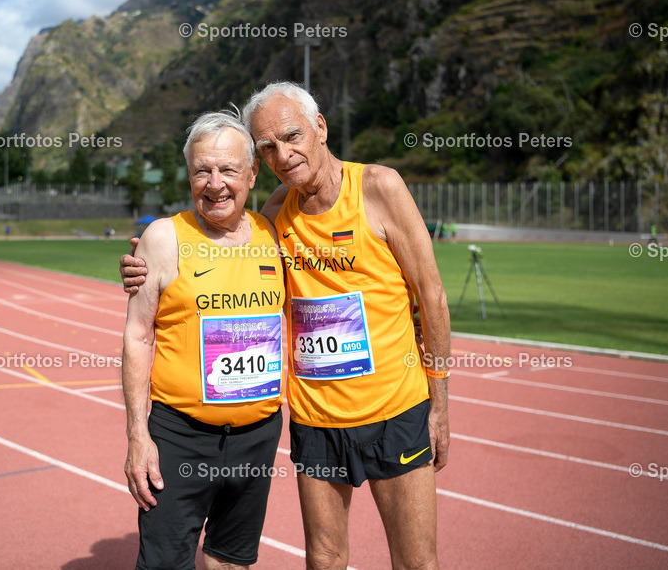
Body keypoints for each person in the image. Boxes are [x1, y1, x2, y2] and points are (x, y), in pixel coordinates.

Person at [121, 83, 450, 569]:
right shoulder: (274, 216)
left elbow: (432, 296)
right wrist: (139, 265)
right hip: (315, 418)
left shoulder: (379, 188)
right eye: (268, 147)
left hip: (396, 409)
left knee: (417, 562)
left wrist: (440, 400)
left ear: (320, 127)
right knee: (323, 559)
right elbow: (211, 251)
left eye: (292, 136)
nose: (284, 154)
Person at [123, 111, 286, 570]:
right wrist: (138, 435)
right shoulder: (162, 239)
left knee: (231, 560)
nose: (215, 184)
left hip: (258, 434)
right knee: (164, 564)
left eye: (228, 170)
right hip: (180, 437)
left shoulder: (274, 234)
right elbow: (137, 337)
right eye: (202, 171)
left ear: (253, 174)